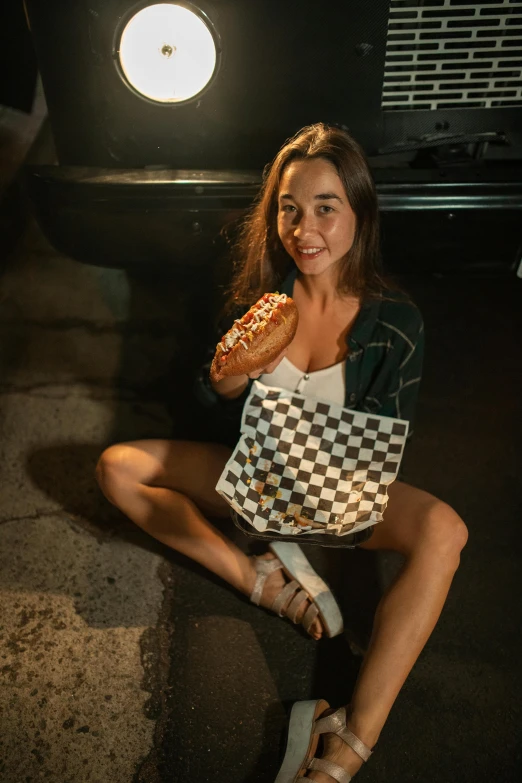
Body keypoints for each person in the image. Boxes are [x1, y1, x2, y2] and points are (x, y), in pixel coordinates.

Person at [96, 123, 468, 781]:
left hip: (340, 496)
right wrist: (220, 383)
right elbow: (204, 418)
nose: (305, 227)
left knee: (445, 529)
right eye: (290, 208)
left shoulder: (395, 325)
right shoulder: (258, 308)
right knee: (118, 467)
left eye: (326, 206)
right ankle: (262, 581)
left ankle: (352, 732)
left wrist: (299, 457)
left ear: (360, 212)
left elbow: (380, 455)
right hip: (255, 481)